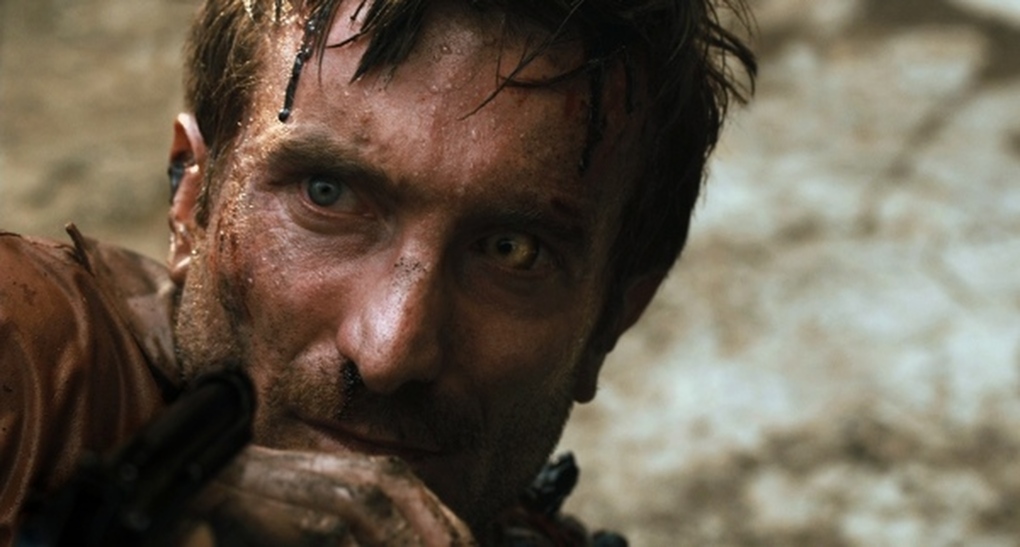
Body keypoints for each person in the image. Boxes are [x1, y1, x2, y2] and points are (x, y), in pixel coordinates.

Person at [0, 0, 756, 544]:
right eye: (326, 195)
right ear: (190, 197)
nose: (392, 350)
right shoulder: (27, 363)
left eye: (511, 250)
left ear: (612, 318)